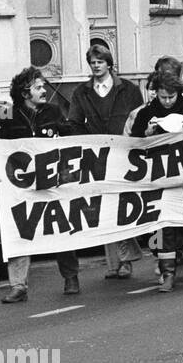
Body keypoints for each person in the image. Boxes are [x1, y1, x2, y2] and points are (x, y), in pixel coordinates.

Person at [0, 67, 80, 303]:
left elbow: (70, 134)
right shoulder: (8, 113)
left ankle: (71, 276)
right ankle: (18, 285)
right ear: (25, 92)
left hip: (53, 182)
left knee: (62, 226)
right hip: (22, 186)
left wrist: (61, 133)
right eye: (38, 87)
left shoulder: (53, 111)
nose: (44, 91)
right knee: (20, 229)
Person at [66, 44, 145, 279]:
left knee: (121, 206)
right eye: (92, 62)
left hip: (124, 155)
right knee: (106, 208)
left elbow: (138, 118)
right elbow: (74, 123)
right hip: (96, 157)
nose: (96, 66)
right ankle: (118, 262)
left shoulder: (128, 90)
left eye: (100, 61)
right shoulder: (82, 92)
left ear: (109, 63)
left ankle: (125, 259)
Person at [131, 71, 183, 290]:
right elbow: (132, 143)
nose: (167, 101)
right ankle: (168, 272)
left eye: (171, 97)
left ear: (179, 93)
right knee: (161, 223)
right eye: (162, 97)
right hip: (158, 177)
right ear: (155, 93)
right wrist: (146, 133)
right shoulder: (146, 113)